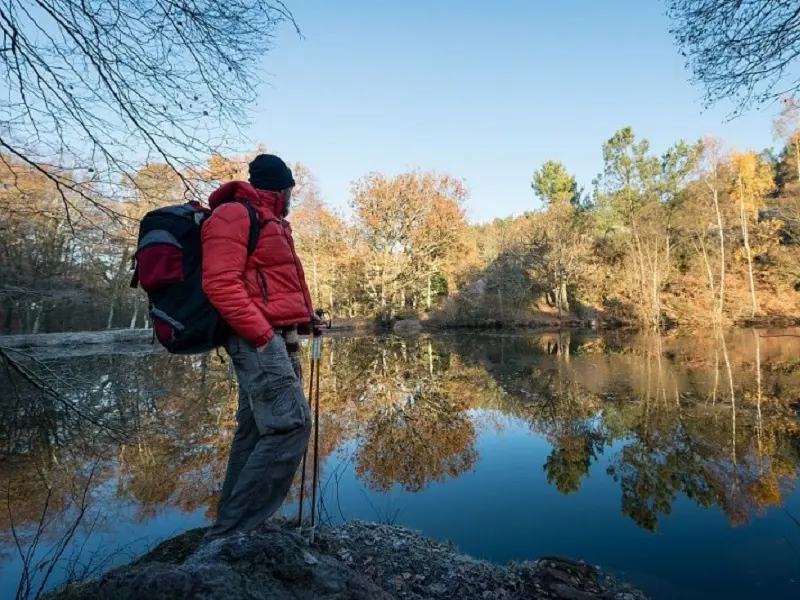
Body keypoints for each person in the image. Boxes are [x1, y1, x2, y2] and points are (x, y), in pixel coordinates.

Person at [200, 153, 320, 541]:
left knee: (254, 431)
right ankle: (234, 534)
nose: (292, 197)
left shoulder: (273, 222)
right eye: (290, 190)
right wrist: (264, 336)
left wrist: (304, 319)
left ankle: (230, 526)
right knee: (290, 424)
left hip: (273, 338)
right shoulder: (236, 214)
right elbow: (220, 284)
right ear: (280, 187)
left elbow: (269, 286)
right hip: (257, 341)